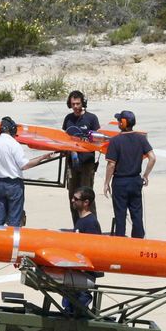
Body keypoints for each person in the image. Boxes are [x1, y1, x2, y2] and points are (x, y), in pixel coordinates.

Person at [0, 117, 59, 227]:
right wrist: (42, 157)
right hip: (14, 185)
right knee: (14, 219)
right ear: (12, 130)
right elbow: (24, 165)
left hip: (0, 184)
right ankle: (12, 242)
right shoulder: (14, 144)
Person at [103, 109, 155, 237]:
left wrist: (106, 183)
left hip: (120, 182)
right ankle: (138, 242)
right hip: (136, 181)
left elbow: (111, 164)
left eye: (119, 121)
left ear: (123, 123)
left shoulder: (115, 141)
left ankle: (121, 242)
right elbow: (152, 158)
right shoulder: (141, 139)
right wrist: (145, 175)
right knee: (137, 214)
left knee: (120, 215)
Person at [61, 91, 101, 228]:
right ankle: (77, 226)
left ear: (83, 103)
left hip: (87, 164)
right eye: (73, 104)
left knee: (86, 197)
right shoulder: (68, 119)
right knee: (73, 197)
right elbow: (63, 137)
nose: (76, 107)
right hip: (72, 165)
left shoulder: (91, 118)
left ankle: (92, 227)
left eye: (78, 103)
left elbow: (99, 139)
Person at [62, 187, 103, 315]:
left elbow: (93, 248)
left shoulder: (90, 223)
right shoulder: (81, 221)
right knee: (69, 305)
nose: (72, 200)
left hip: (84, 274)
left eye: (76, 199)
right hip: (77, 272)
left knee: (77, 307)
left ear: (86, 202)